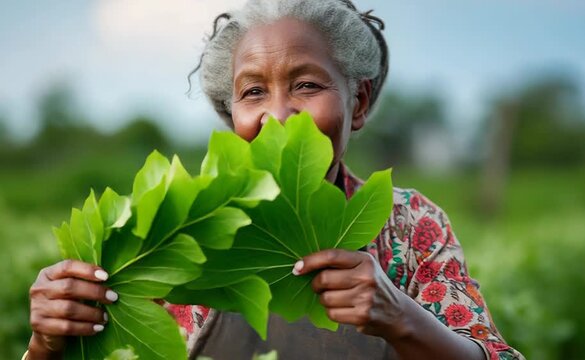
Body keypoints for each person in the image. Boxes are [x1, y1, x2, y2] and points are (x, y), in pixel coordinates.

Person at [25, 0, 525, 359]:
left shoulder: (409, 225)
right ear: (232, 115)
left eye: (307, 85)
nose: (280, 115)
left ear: (360, 102)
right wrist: (46, 344)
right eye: (253, 92)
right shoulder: (171, 227)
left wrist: (401, 317)